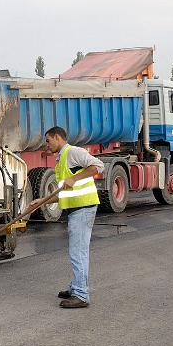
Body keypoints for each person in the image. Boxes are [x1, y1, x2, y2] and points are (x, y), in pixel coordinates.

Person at [27, 126, 104, 308]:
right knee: (78, 251)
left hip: (83, 208)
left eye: (48, 140)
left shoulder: (73, 152)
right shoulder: (61, 159)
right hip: (75, 209)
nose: (47, 145)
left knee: (78, 252)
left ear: (57, 137)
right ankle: (76, 287)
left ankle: (81, 294)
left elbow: (98, 166)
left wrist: (75, 179)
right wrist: (42, 201)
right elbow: (64, 193)